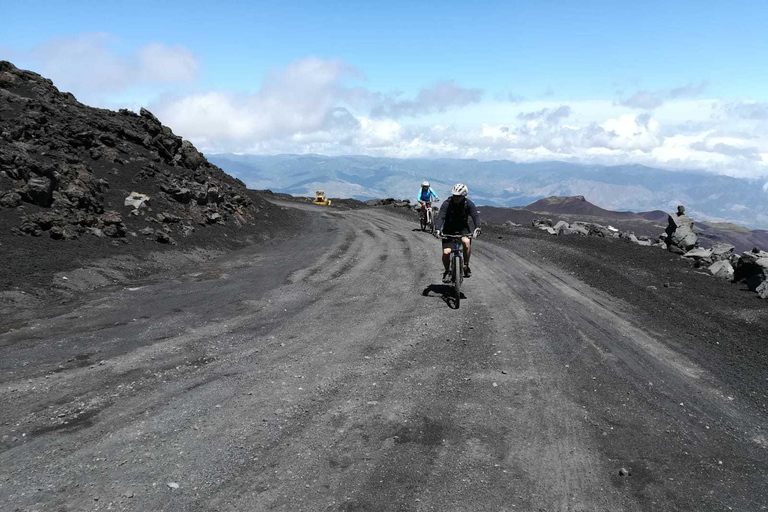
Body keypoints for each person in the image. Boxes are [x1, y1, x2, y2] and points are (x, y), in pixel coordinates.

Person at [435, 183, 481, 283]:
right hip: (449, 229)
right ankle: (447, 271)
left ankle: (466, 265)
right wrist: (437, 229)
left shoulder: (468, 204)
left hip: (463, 228)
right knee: (446, 252)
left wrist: (477, 227)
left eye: (458, 196)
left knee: (466, 243)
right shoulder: (447, 203)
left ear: (464, 196)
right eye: (454, 196)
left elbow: (475, 216)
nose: (455, 198)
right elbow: (441, 216)